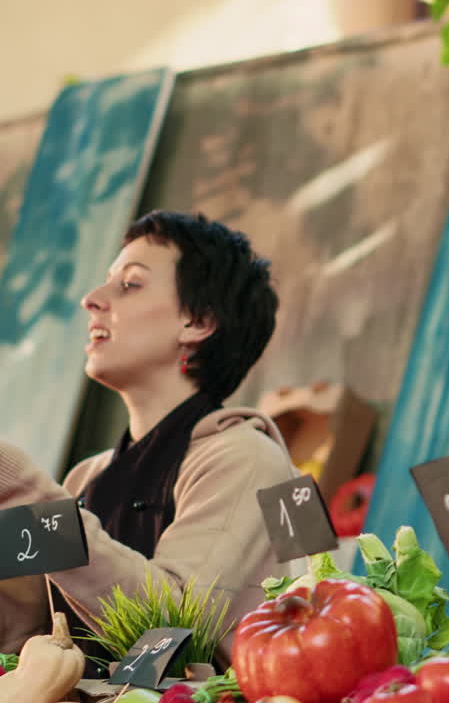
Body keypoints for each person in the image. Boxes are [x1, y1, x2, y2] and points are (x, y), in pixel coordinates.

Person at [0, 210, 296, 670]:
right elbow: (32, 638)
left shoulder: (249, 459)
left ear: (197, 322)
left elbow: (171, 637)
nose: (92, 300)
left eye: (130, 284)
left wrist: (19, 489)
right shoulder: (88, 475)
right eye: (106, 282)